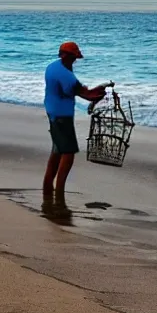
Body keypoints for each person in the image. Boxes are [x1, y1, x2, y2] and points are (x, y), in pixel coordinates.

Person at [42, 41, 107, 203]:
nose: (74, 61)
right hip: (61, 116)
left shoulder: (53, 67)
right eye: (73, 57)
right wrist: (97, 94)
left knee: (57, 151)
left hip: (53, 112)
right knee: (68, 153)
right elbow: (85, 94)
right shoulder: (65, 74)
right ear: (64, 55)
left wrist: (93, 91)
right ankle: (60, 192)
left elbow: (79, 90)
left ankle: (47, 188)